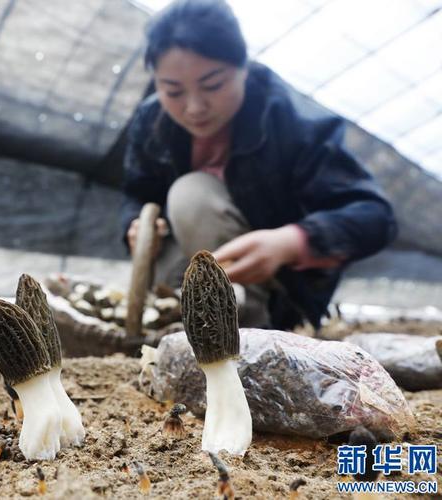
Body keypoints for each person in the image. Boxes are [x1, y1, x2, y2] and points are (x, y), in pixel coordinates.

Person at [121, 0, 397, 330]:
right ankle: (180, 322)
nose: (194, 108)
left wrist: (290, 242)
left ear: (244, 67)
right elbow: (137, 191)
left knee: (190, 195)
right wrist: (136, 226)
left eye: (213, 85)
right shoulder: (153, 121)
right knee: (172, 223)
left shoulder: (291, 121)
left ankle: (247, 330)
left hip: (273, 286)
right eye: (173, 91)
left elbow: (375, 217)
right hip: (184, 266)